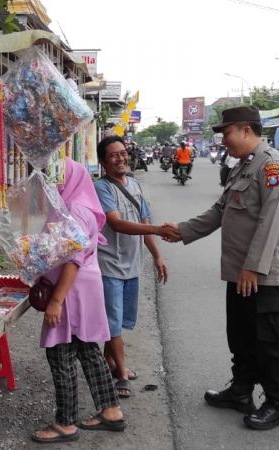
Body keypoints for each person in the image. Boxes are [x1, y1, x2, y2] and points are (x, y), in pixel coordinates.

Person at [161, 105, 279, 431]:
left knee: (271, 341)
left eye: (226, 132)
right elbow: (219, 211)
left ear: (246, 130)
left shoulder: (274, 167)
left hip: (265, 274)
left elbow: (271, 222)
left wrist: (253, 268)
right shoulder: (243, 167)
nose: (223, 139)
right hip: (240, 273)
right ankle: (241, 392)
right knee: (240, 336)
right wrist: (182, 230)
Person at [33, 157, 126, 444]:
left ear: (71, 180)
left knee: (60, 353)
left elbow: (72, 259)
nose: (56, 184)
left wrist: (56, 301)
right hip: (82, 289)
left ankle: (65, 423)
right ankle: (110, 411)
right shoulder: (80, 205)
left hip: (71, 292)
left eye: (60, 178)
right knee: (87, 349)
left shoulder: (74, 209)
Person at [94, 135, 169, 398]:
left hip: (131, 265)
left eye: (122, 153)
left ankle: (109, 364)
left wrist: (157, 256)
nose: (120, 158)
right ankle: (122, 374)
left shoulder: (135, 185)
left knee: (119, 320)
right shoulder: (102, 188)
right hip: (109, 264)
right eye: (113, 155)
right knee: (113, 323)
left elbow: (143, 221)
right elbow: (116, 223)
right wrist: (159, 229)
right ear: (103, 162)